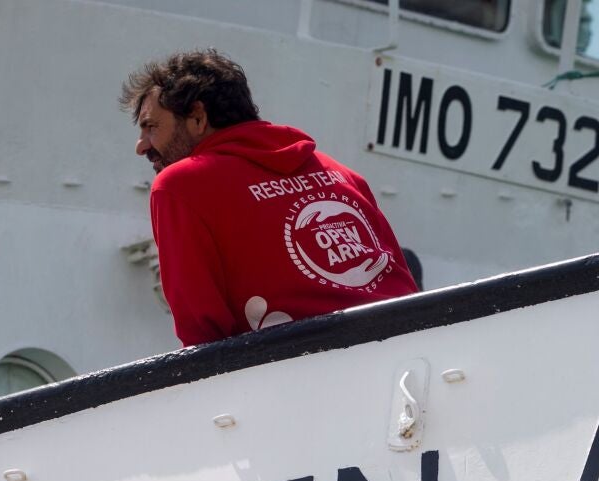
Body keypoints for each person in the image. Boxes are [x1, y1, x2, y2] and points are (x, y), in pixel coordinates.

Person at [119, 49, 418, 347]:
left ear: (197, 117)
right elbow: (406, 288)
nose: (141, 146)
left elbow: (201, 332)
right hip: (412, 349)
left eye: (151, 127)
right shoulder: (343, 175)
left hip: (302, 365)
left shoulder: (180, 185)